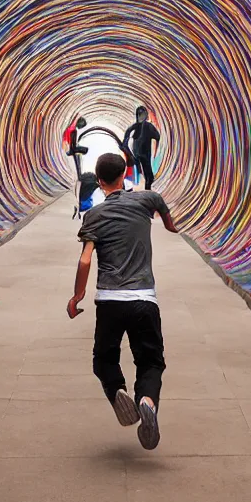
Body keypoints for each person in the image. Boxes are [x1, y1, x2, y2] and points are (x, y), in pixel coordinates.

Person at [67, 153, 177, 450]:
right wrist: (169, 225)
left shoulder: (94, 216)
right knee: (151, 360)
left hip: (109, 301)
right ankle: (147, 402)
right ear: (124, 175)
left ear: (100, 182)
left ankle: (117, 390)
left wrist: (77, 296)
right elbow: (168, 220)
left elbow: (86, 259)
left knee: (104, 359)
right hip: (144, 299)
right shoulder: (147, 199)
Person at [122, 106, 160, 190]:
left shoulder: (134, 127)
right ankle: (147, 188)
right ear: (146, 115)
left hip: (135, 154)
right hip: (144, 154)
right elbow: (157, 136)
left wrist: (126, 150)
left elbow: (125, 140)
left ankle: (137, 186)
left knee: (138, 173)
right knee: (148, 175)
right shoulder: (149, 126)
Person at [62, 115, 88, 179]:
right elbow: (69, 144)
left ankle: (79, 175)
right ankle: (79, 176)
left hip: (69, 147)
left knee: (81, 152)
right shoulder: (72, 129)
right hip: (70, 148)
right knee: (84, 150)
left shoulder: (72, 126)